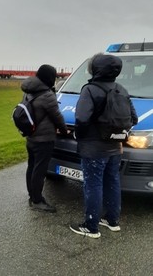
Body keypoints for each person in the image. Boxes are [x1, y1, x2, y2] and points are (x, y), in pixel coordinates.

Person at [70, 53, 138, 238]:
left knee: (93, 185)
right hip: (115, 148)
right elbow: (134, 118)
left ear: (95, 69)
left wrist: (80, 135)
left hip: (93, 149)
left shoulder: (90, 90)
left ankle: (91, 226)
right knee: (112, 182)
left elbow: (81, 119)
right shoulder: (121, 89)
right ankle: (112, 220)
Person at [21, 64, 68, 213]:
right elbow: (57, 117)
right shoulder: (47, 95)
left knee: (32, 166)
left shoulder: (29, 90)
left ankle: (32, 195)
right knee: (40, 170)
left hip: (31, 137)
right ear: (50, 77)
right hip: (44, 139)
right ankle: (37, 201)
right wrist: (65, 131)